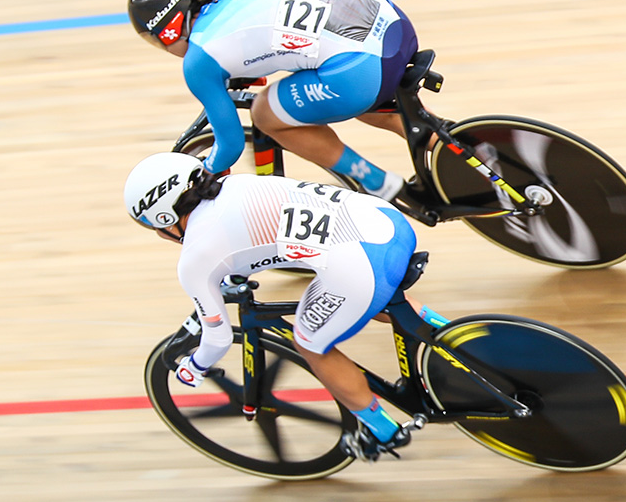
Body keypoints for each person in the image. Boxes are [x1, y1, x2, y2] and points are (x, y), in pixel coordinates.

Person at [123, 152, 419, 459]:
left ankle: (383, 431)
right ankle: (450, 338)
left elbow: (218, 339)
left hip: (362, 261)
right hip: (384, 219)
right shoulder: (230, 183)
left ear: (164, 220)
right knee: (366, 295)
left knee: (310, 343)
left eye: (154, 228)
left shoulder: (194, 258)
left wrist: (195, 366)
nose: (159, 235)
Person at [126, 0, 424, 204]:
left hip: (361, 70)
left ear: (166, 32)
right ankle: (445, 148)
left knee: (266, 114)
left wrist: (205, 172)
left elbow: (229, 146)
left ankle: (378, 183)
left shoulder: (197, 62)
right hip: (393, 24)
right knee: (365, 103)